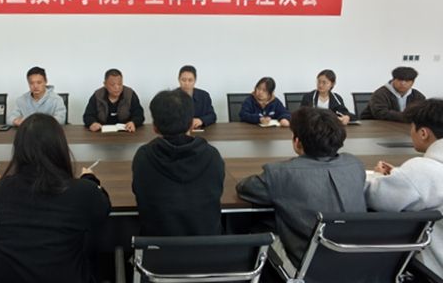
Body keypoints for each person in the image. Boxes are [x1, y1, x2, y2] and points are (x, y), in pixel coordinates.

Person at [236, 107, 366, 268]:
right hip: (359, 264)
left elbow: (244, 188)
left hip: (308, 267)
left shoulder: (280, 173)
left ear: (297, 142)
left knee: (251, 225)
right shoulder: (355, 164)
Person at [0, 113, 111, 283]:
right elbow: (103, 208)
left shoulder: (4, 188)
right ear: (60, 147)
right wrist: (90, 179)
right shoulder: (82, 191)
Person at [365, 99, 443, 277]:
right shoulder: (421, 172)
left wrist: (378, 177)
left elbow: (376, 198)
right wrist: (400, 176)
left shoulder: (422, 170)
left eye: (411, 127)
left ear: (423, 133)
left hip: (432, 271)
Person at [132, 89, 224, 236]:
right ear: (191, 123)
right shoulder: (212, 156)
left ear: (155, 127)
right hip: (206, 246)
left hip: (157, 246)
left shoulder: (143, 157)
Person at [361, 66, 425, 121]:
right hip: (377, 125)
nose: (403, 83)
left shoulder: (418, 96)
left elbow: (423, 113)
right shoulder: (380, 93)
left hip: (403, 126)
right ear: (393, 80)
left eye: (407, 81)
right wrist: (407, 117)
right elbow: (380, 113)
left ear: (413, 82)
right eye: (400, 80)